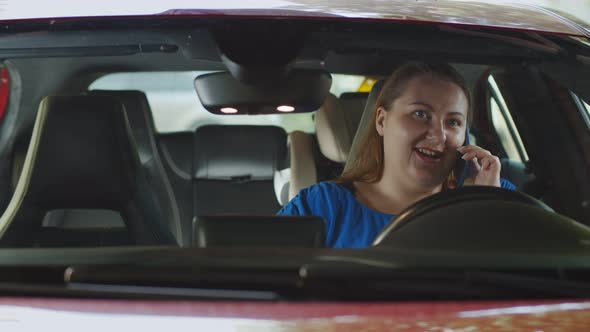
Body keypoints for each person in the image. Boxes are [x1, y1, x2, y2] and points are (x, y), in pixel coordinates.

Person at [277, 63, 515, 248]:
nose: (439, 135)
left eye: (453, 122)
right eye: (420, 114)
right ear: (382, 121)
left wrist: (486, 208)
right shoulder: (322, 206)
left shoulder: (496, 193)